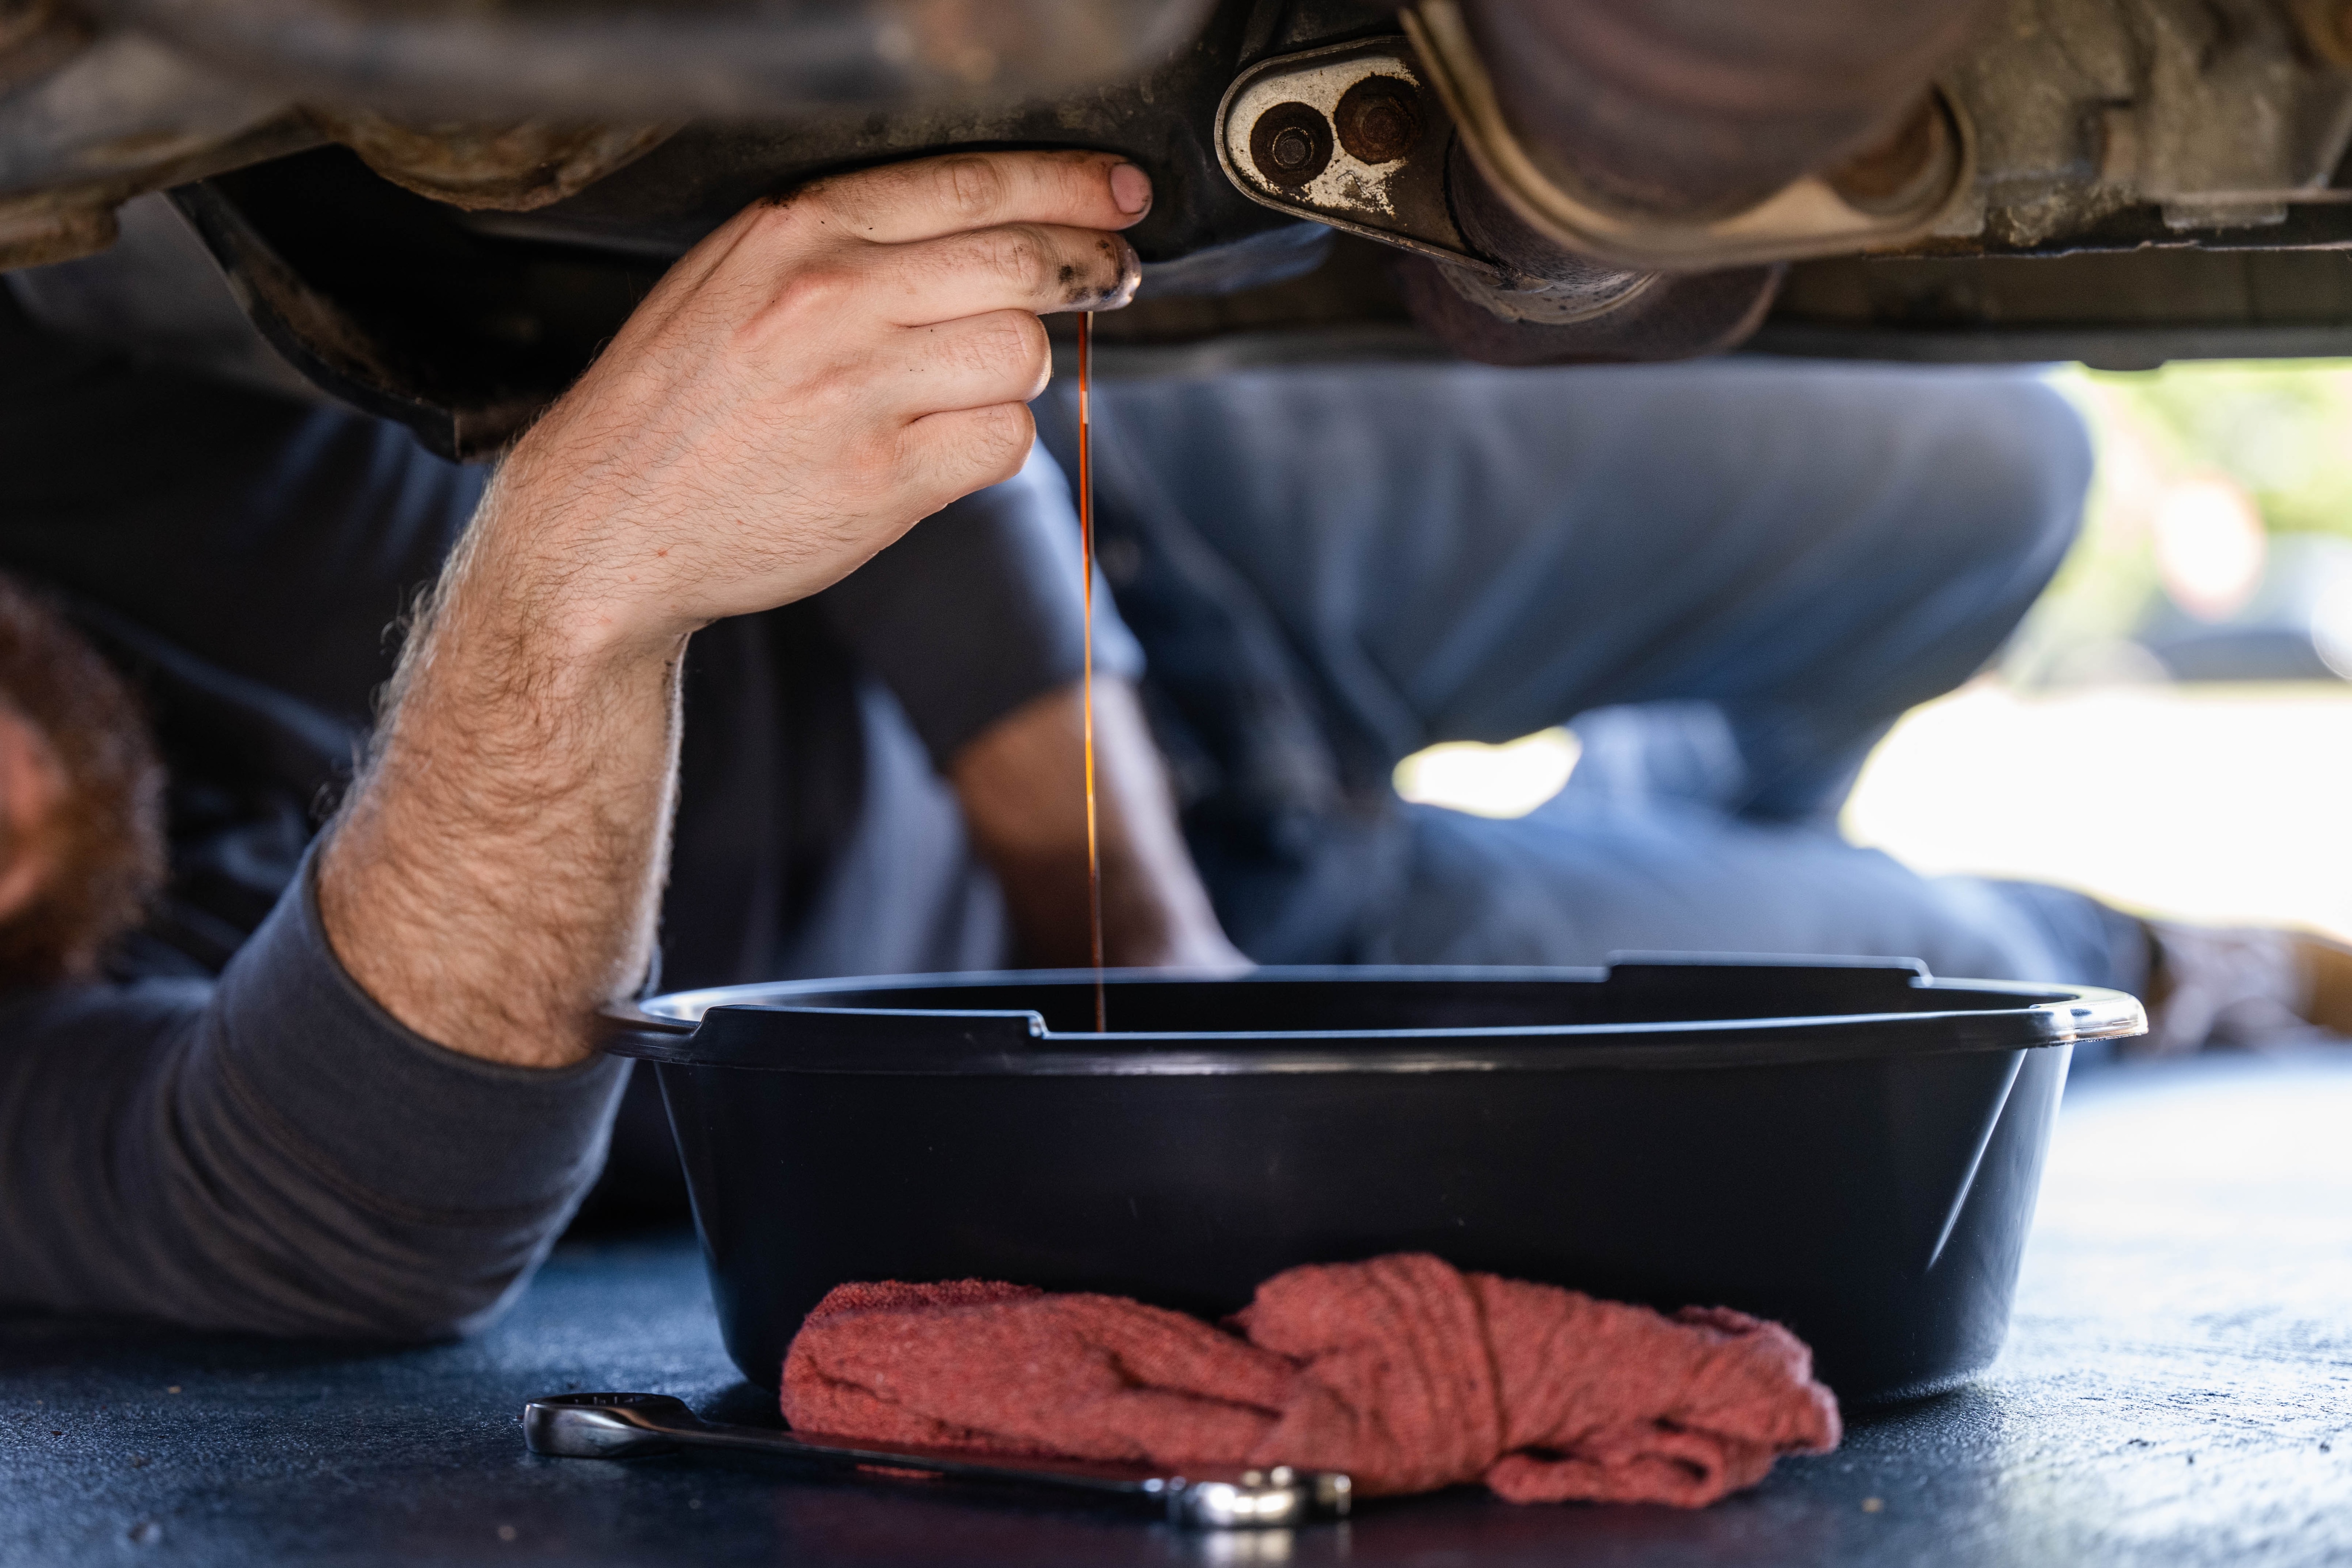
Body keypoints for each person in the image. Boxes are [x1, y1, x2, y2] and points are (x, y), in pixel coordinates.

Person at [0, 149, 1178, 1335]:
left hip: (1119, 631)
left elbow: (792, 293)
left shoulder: (41, 359)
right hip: (1044, 1118)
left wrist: (1138, 943)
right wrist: (572, 595)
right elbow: (336, 1215)